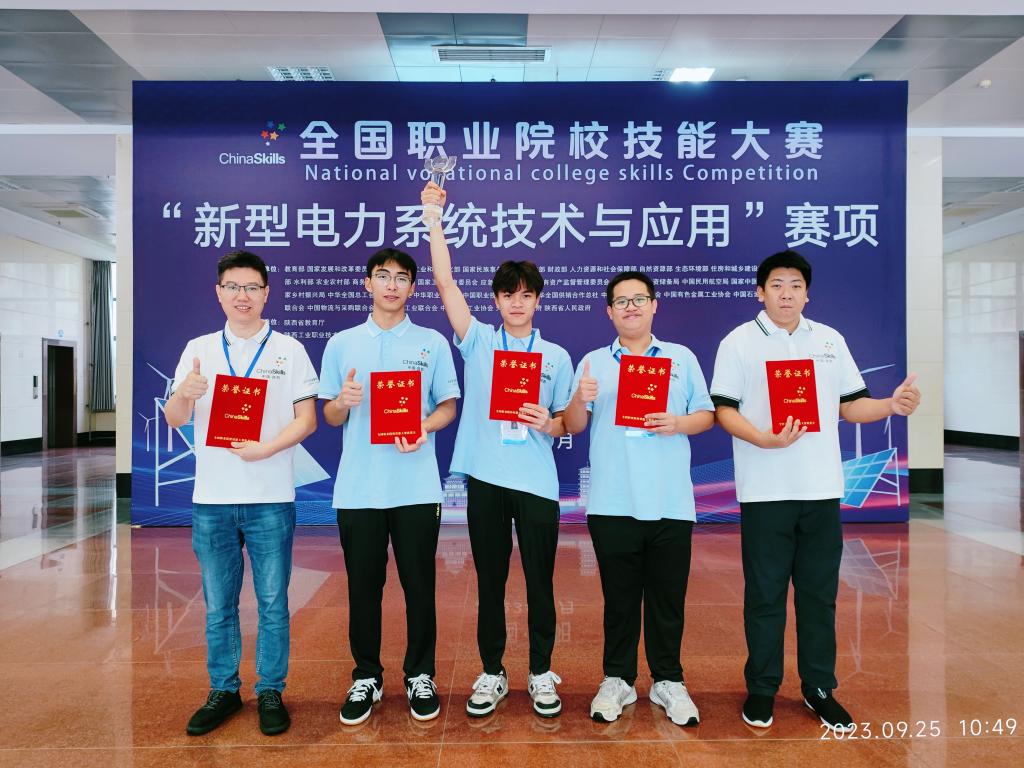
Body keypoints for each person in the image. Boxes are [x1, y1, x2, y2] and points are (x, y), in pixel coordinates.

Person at [709, 250, 920, 733]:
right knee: (764, 595)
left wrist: (891, 405)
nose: (786, 294)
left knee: (819, 595)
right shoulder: (739, 342)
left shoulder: (828, 340)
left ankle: (819, 687)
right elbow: (723, 409)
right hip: (765, 491)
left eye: (796, 286)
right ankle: (762, 687)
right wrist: (762, 438)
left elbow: (852, 406)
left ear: (807, 293)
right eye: (777, 285)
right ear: (760, 292)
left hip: (821, 489)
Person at [421, 182, 574, 718]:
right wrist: (433, 220)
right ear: (496, 300)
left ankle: (540, 672)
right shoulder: (480, 340)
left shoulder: (555, 356)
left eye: (525, 294)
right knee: (490, 582)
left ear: (537, 300)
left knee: (540, 584)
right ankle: (492, 671)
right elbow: (445, 284)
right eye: (508, 294)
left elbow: (567, 421)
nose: (516, 302)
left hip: (537, 484)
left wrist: (548, 421)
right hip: (486, 478)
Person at [165, 249, 319, 737]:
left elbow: (307, 420)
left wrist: (265, 449)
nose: (242, 296)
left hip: (271, 495)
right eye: (233, 287)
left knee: (273, 602)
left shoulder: (289, 349)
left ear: (266, 293)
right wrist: (186, 392)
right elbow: (173, 418)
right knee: (218, 604)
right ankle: (224, 690)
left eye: (252, 287)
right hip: (212, 499)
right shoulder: (199, 349)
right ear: (219, 293)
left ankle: (270, 689)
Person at [562, 271, 714, 726]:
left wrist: (677, 423)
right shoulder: (593, 362)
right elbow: (573, 425)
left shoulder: (681, 358)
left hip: (670, 501)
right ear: (609, 311)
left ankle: (668, 680)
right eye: (622, 301)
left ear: (654, 305)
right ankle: (618, 679)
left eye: (639, 299)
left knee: (668, 599)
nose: (631, 307)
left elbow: (706, 415)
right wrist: (579, 397)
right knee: (620, 599)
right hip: (613, 501)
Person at [318, 247, 460, 726]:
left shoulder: (431, 342)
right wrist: (342, 401)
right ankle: (366, 676)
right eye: (383, 276)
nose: (392, 285)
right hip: (359, 489)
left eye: (402, 278)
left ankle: (420, 674)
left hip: (416, 488)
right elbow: (329, 415)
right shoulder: (342, 343)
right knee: (363, 588)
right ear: (368, 283)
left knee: (420, 586)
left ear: (413, 288)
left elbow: (448, 405)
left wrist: (425, 426)